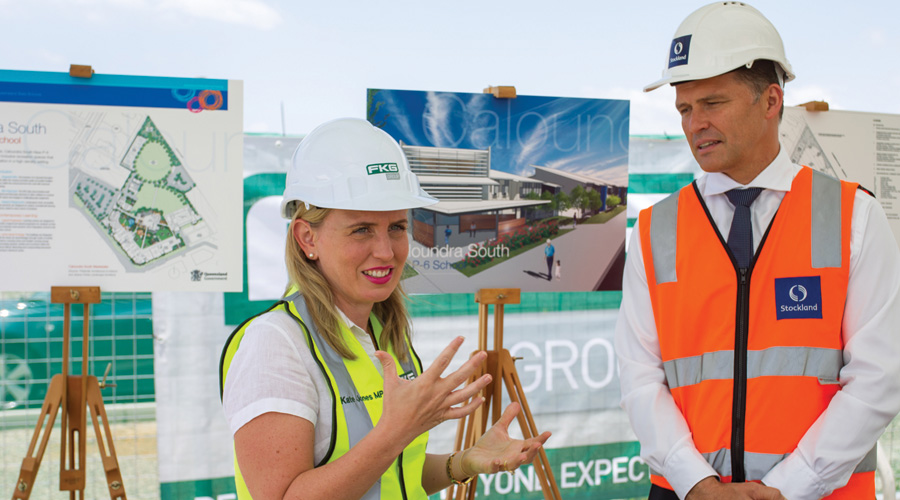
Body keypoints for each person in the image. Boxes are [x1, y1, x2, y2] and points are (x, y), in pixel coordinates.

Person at [615, 3, 900, 500]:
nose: (694, 124)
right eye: (684, 108)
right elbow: (639, 378)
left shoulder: (854, 215)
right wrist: (697, 483)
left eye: (712, 103)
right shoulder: (654, 229)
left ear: (771, 101)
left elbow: (880, 377)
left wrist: (788, 488)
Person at [220, 118, 550, 500]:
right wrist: (397, 431)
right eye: (361, 229)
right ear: (306, 237)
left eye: (396, 227)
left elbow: (391, 474)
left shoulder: (382, 330)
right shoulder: (275, 343)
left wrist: (464, 462)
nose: (387, 251)